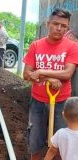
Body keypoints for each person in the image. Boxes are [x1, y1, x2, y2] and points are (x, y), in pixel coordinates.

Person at [23, 8, 78, 160]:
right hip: (37, 102)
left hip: (62, 103)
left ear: (67, 28)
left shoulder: (72, 47)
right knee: (35, 141)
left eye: (64, 26)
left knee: (62, 143)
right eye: (55, 24)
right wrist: (49, 79)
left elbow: (67, 74)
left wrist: (40, 72)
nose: (59, 28)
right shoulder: (36, 46)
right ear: (48, 24)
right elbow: (26, 74)